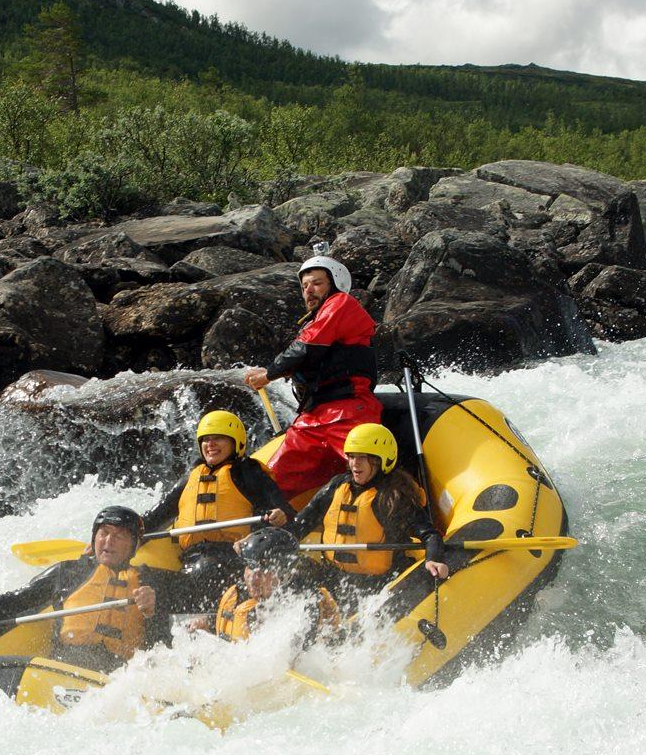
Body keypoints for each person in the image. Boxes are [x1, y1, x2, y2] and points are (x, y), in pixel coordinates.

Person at [0, 505, 189, 673]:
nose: (108, 541)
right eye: (103, 533)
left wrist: (153, 611)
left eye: (119, 536)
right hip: (64, 667)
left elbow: (163, 646)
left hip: (118, 680)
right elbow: (17, 600)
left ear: (134, 545)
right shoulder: (68, 572)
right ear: (93, 540)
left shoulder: (152, 581)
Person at [242, 247, 384, 498]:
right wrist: (273, 371)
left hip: (350, 410)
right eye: (305, 285)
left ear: (335, 283)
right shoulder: (316, 321)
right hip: (313, 416)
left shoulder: (342, 303)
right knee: (274, 482)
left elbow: (306, 349)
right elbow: (308, 358)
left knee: (370, 472)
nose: (309, 289)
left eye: (317, 283)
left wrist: (269, 374)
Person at [141, 409, 291, 605]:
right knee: (143, 578)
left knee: (206, 571)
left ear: (235, 442)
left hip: (232, 558)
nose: (210, 445)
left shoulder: (248, 473)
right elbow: (157, 516)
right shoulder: (191, 477)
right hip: (192, 560)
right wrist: (122, 531)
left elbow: (285, 512)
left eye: (218, 438)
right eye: (206, 439)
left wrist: (279, 516)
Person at [297, 423, 450, 603]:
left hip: (380, 584)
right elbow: (302, 523)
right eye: (352, 457)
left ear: (381, 460)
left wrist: (433, 559)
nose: (355, 464)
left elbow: (430, 534)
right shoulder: (337, 486)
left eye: (363, 457)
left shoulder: (393, 496)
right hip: (335, 578)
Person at [190, 527, 343, 644]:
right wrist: (208, 623)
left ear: (284, 574)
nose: (252, 577)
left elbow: (295, 659)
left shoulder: (303, 605)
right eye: (250, 567)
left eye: (263, 571)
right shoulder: (239, 592)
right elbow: (234, 621)